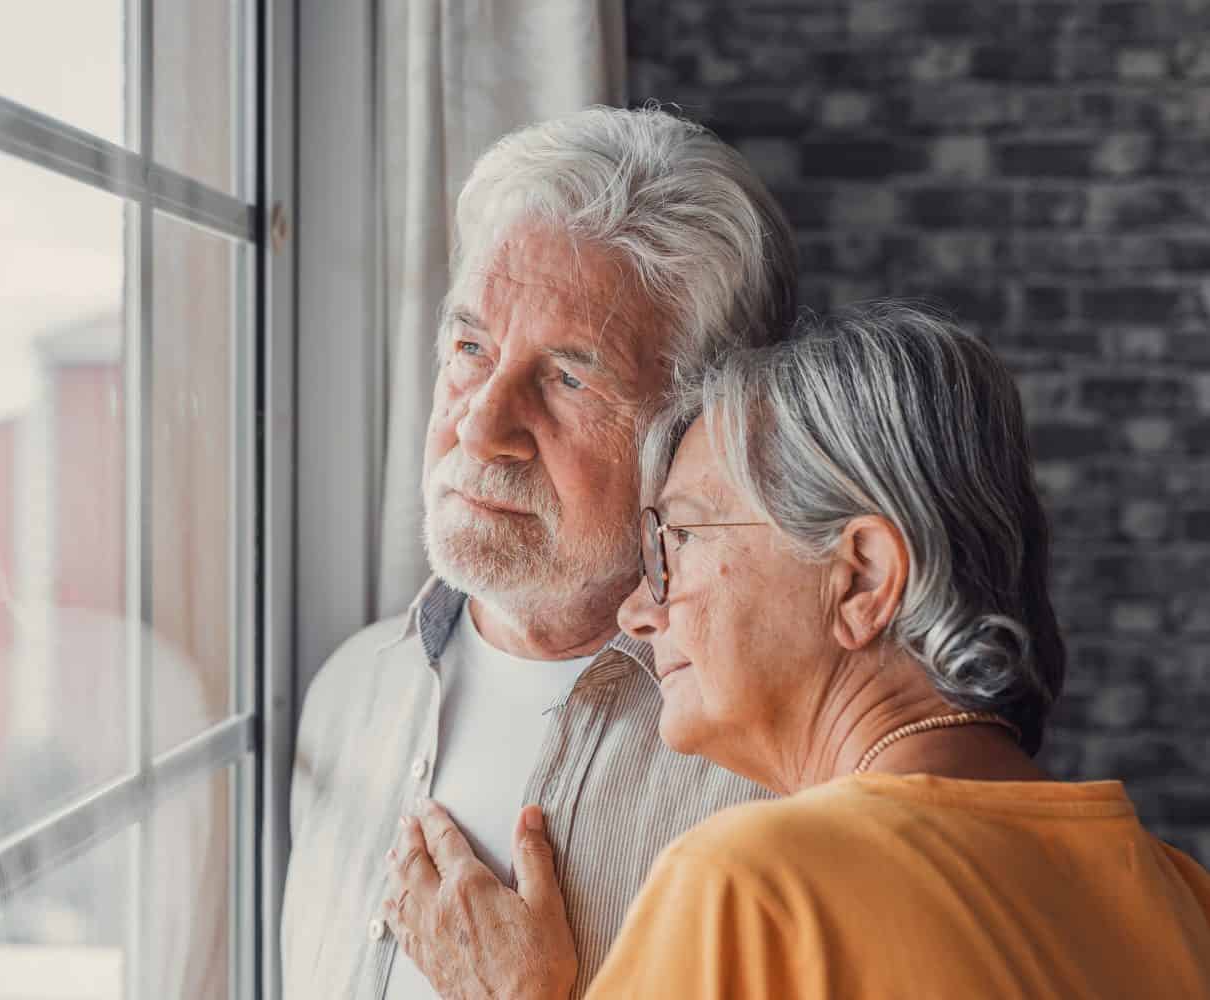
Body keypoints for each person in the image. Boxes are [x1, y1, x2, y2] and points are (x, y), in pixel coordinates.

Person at [381, 301, 1210, 998]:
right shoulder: (1177, 894)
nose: (639, 608)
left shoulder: (753, 887)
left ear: (862, 579)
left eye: (676, 540)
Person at [282, 106, 799, 999]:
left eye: (568, 377)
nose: (480, 427)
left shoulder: (777, 785)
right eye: (470, 347)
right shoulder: (348, 692)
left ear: (697, 433)